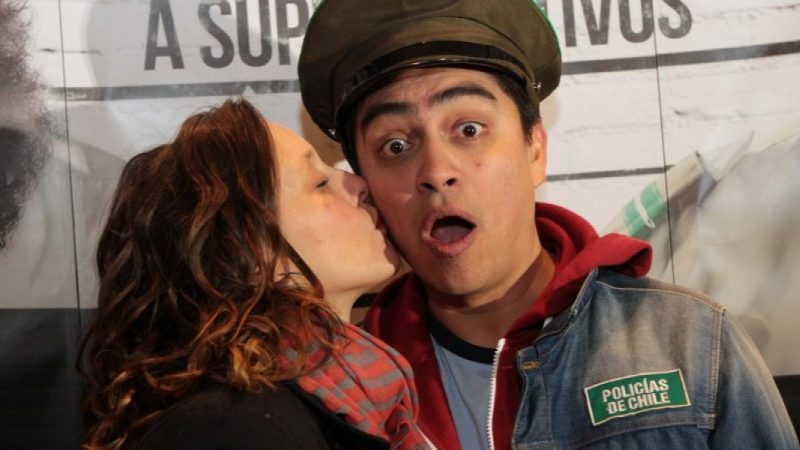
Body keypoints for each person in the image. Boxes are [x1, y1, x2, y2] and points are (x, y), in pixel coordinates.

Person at [297, 1, 799, 449]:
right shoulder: (341, 397)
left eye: (469, 129)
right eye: (395, 146)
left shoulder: (688, 342)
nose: (435, 171)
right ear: (366, 187)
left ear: (535, 149)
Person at [77, 98, 432, 450]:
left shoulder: (348, 402)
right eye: (319, 183)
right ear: (248, 250)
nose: (359, 183)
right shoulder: (230, 430)